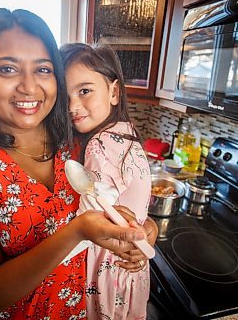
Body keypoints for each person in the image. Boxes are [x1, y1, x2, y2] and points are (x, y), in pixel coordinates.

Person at [0, 8, 157, 319]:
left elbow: (116, 199)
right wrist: (77, 231)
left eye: (43, 70)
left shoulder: (72, 140)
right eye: (7, 69)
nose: (29, 86)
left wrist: (143, 228)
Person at [60, 42, 152, 320]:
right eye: (65, 97)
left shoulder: (100, 144)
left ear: (113, 92)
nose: (73, 106)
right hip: (132, 268)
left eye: (85, 91)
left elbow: (87, 223)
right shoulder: (125, 131)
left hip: (108, 268)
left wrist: (48, 262)